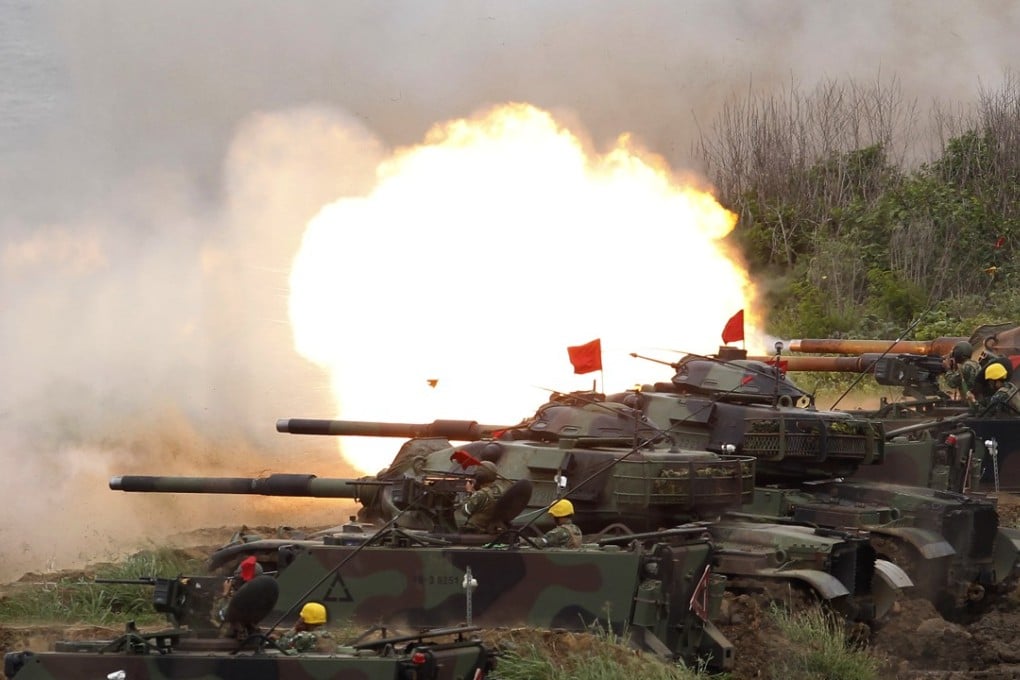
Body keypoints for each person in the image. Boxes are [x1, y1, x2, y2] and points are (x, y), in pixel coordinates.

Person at [461, 461, 512, 533]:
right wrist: (474, 494)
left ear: (479, 477)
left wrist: (469, 492)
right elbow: (486, 501)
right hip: (492, 529)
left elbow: (465, 512)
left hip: (476, 531)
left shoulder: (480, 495)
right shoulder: (501, 489)